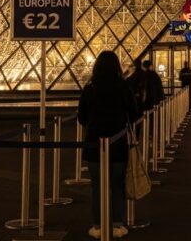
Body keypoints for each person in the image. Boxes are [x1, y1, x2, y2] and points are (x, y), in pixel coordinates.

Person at [77, 51, 139, 239]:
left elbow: (81, 117)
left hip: (94, 144)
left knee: (96, 187)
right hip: (118, 143)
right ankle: (117, 225)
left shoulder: (90, 88)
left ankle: (97, 226)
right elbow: (134, 114)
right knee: (117, 186)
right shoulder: (123, 87)